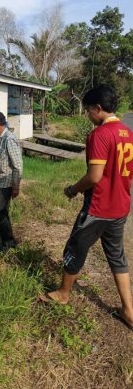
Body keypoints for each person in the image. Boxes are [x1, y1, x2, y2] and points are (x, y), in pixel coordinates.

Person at [40, 85, 133, 330]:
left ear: (97, 108)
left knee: (75, 247)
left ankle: (63, 293)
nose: (88, 116)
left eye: (88, 111)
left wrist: (73, 189)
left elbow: (94, 177)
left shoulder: (99, 135)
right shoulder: (127, 132)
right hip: (121, 206)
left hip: (99, 208)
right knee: (116, 256)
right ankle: (128, 310)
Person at [0, 111, 23, 251]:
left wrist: (16, 186)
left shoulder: (9, 139)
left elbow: (18, 165)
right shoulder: (0, 138)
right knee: (2, 212)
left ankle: (8, 241)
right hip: (1, 182)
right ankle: (9, 243)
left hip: (7, 184)